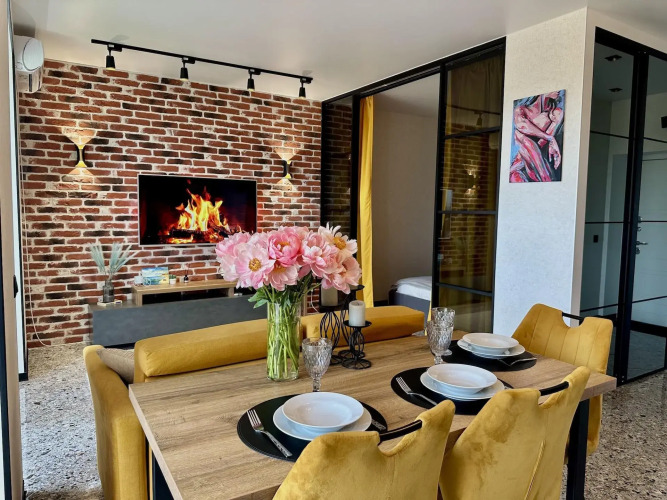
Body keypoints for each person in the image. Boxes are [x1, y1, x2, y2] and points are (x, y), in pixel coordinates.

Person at [510, 91, 564, 182]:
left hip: (533, 160)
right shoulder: (521, 110)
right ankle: (546, 178)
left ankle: (545, 178)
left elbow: (540, 144)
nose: (558, 91)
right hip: (520, 165)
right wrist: (550, 138)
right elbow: (522, 126)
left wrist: (550, 140)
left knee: (526, 141)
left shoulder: (555, 113)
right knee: (519, 135)